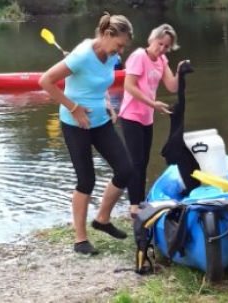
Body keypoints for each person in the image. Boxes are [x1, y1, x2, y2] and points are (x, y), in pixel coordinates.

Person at [39, 13, 134, 255]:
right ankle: (80, 240)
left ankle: (102, 219)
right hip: (75, 124)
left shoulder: (109, 54)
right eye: (119, 45)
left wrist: (109, 104)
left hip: (101, 121)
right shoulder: (81, 55)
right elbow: (45, 81)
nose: (120, 51)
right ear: (107, 35)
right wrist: (74, 107)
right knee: (86, 180)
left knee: (125, 169)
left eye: (124, 46)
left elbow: (98, 82)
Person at [118, 23, 185, 218]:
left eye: (166, 46)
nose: (162, 48)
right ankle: (134, 207)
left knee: (144, 161)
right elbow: (129, 86)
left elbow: (172, 86)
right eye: (160, 43)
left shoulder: (161, 59)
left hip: (147, 116)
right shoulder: (139, 56)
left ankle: (140, 201)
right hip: (131, 115)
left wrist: (180, 71)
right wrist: (152, 103)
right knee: (136, 162)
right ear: (152, 39)